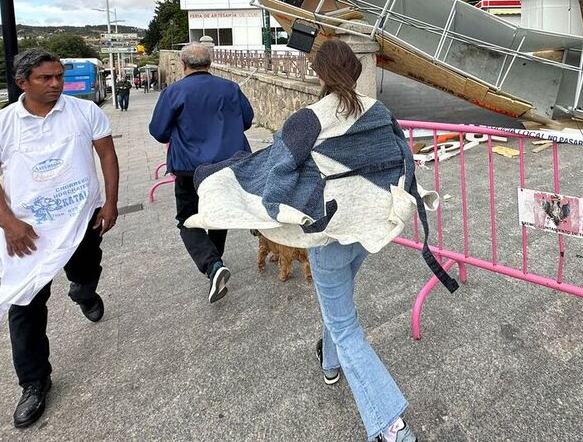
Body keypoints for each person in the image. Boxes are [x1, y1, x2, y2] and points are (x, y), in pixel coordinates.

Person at [185, 39, 457, 442]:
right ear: (357, 72)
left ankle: (391, 427)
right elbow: (403, 158)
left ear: (317, 73)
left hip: (329, 233)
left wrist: (267, 205)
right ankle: (330, 364)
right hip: (370, 230)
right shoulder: (380, 111)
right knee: (339, 305)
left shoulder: (309, 119)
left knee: (345, 326)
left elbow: (276, 171)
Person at [0, 49, 120, 429]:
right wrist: (8, 223)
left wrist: (110, 203)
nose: (56, 84)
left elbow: (106, 155)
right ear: (23, 83)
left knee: (87, 269)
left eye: (58, 77)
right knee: (24, 305)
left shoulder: (84, 112)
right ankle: (34, 383)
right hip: (28, 232)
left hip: (81, 219)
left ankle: (83, 291)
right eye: (45, 78)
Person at [148, 42, 254, 303]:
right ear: (210, 63)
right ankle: (215, 263)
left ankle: (212, 266)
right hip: (227, 165)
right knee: (218, 215)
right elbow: (247, 120)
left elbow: (158, 130)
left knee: (187, 218)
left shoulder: (174, 92)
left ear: (184, 65)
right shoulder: (230, 88)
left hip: (189, 168)